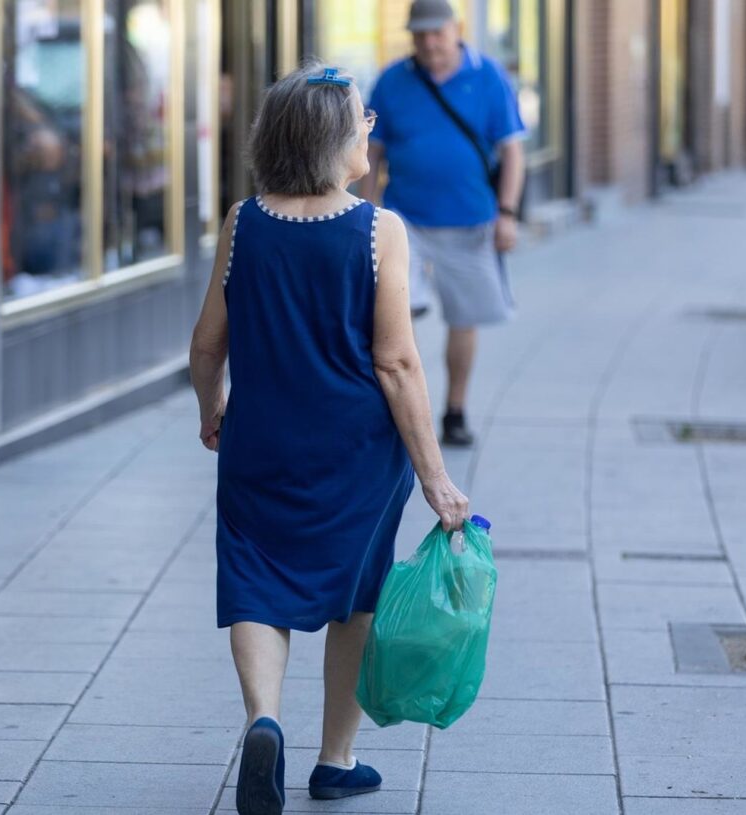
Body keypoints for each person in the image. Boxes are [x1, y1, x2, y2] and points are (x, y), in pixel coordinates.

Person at [189, 62, 469, 815]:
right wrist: (437, 476)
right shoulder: (379, 230)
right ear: (332, 140)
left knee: (253, 580)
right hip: (356, 452)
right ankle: (335, 758)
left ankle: (264, 719)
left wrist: (211, 408)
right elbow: (399, 360)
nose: (370, 132)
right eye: (361, 121)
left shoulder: (243, 221)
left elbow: (207, 343)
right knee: (355, 595)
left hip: (260, 439)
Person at [359, 0, 526, 448]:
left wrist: (507, 214)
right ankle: (400, 406)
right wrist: (366, 212)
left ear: (456, 29)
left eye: (437, 33)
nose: (429, 43)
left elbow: (512, 151)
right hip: (403, 220)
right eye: (420, 34)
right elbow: (371, 152)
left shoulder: (488, 76)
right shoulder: (394, 80)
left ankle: (454, 410)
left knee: (464, 318)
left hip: (470, 220)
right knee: (394, 313)